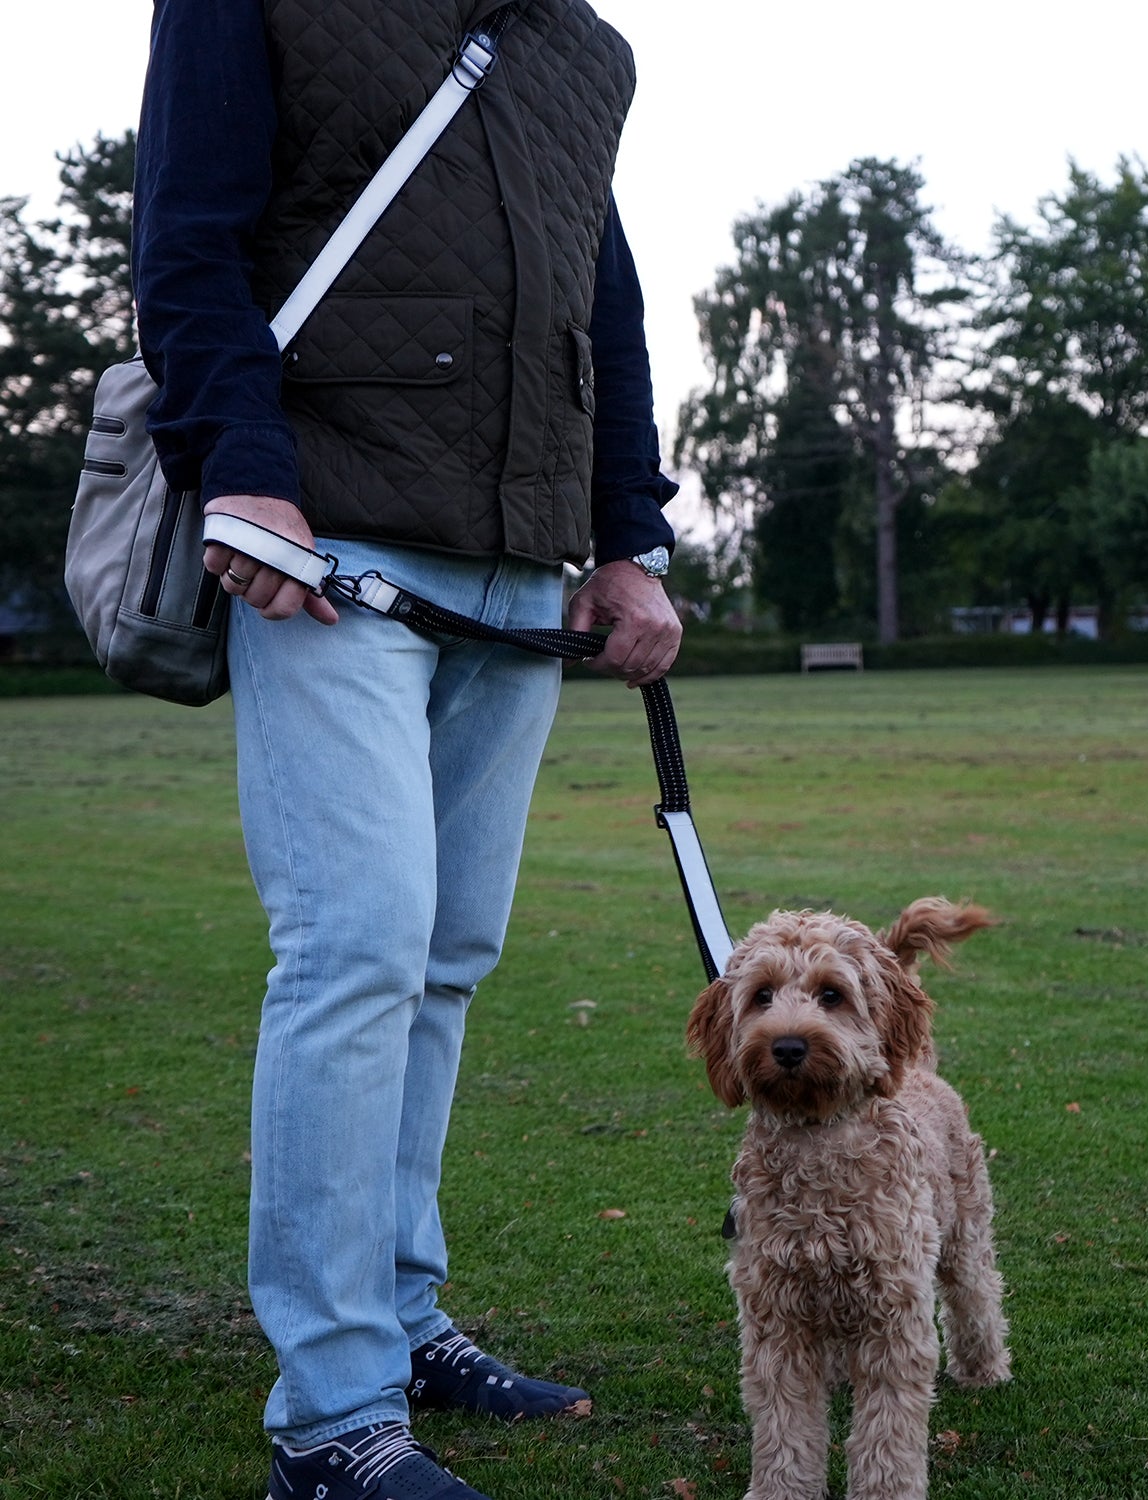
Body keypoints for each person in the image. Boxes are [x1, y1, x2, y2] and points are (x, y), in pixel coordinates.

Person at [131, 1, 682, 1496]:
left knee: (446, 952)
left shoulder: (583, 46)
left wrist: (630, 534)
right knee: (356, 946)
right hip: (325, 549)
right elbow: (184, 235)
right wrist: (242, 468)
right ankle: (331, 1420)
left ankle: (400, 1317)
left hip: (516, 568)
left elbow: (600, 302)